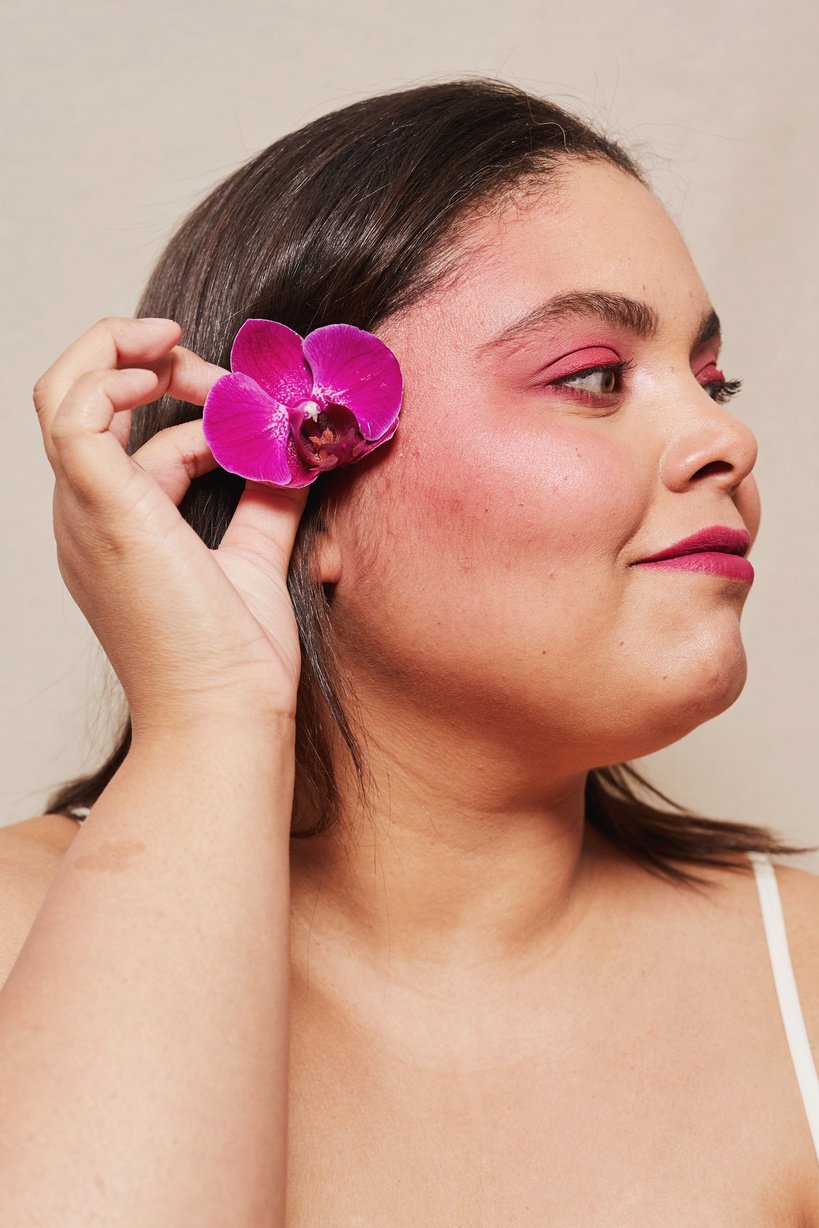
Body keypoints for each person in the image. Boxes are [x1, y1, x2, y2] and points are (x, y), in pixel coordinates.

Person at [2, 78, 818, 1224]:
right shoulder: (16, 937)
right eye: (594, 377)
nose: (726, 437)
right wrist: (211, 708)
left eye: (712, 378)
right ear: (305, 485)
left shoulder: (804, 990)